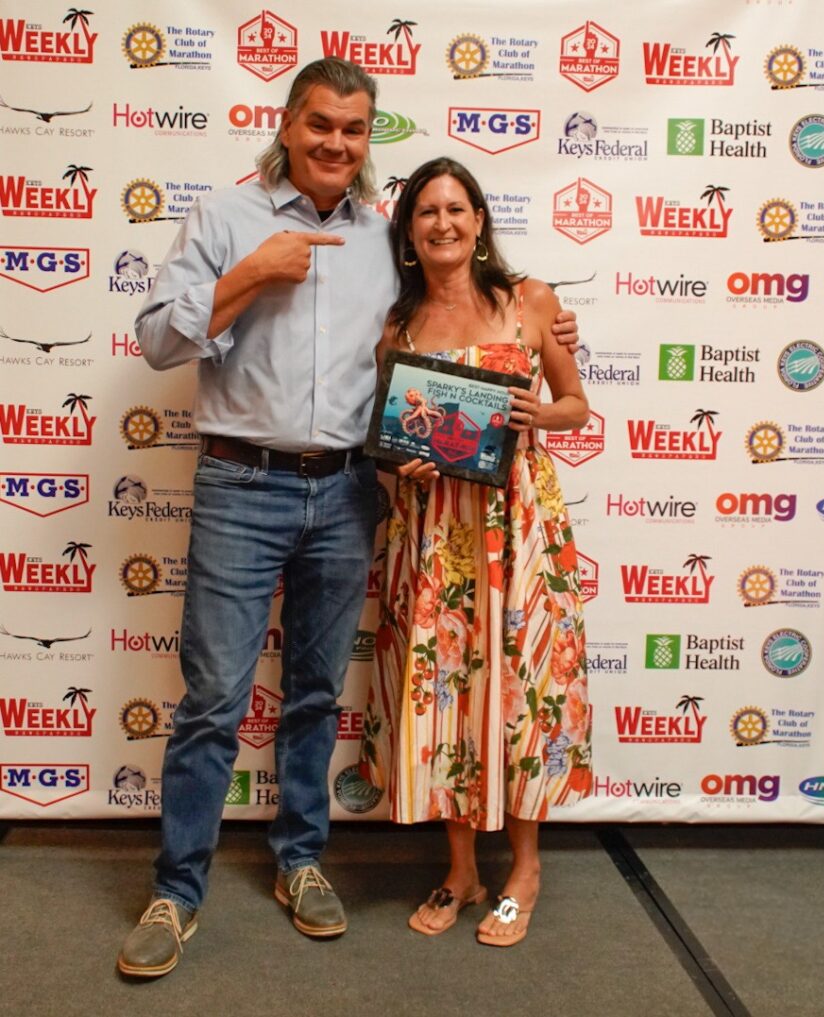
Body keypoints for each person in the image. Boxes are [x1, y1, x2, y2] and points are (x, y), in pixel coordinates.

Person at [117, 59, 580, 978]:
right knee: (213, 698)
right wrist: (251, 274)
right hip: (241, 484)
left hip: (349, 491)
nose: (336, 142)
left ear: (370, 141)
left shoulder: (388, 240)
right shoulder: (225, 218)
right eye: (320, 124)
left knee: (318, 694)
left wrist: (552, 339)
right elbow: (159, 339)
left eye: (355, 129)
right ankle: (177, 889)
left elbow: (453, 335)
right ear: (289, 125)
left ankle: (299, 860)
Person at [359, 157, 593, 948]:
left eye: (457, 208)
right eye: (426, 212)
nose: (443, 224)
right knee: (448, 693)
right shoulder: (399, 325)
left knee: (524, 692)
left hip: (519, 527)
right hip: (434, 536)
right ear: (409, 233)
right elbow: (390, 438)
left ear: (480, 220)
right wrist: (402, 461)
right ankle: (463, 869)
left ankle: (524, 867)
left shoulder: (530, 303)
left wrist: (538, 412)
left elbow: (577, 406)